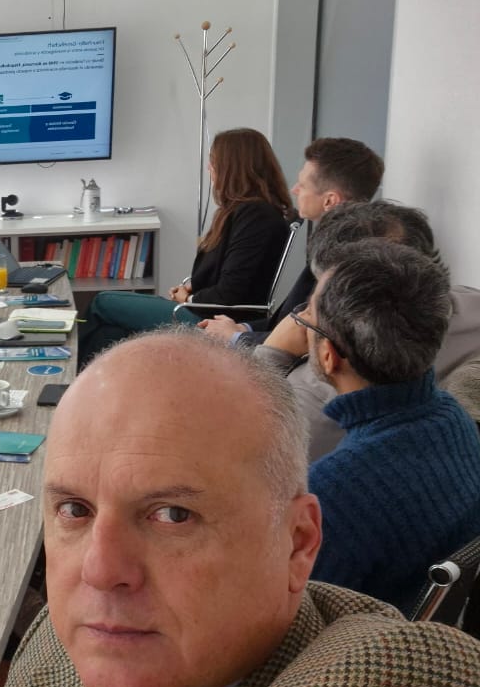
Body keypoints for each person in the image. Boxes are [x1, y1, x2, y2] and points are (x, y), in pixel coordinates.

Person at [0, 328, 480, 687]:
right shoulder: (64, 641)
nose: (99, 571)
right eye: (75, 509)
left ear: (298, 542)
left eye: (173, 515)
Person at [289, 239, 480, 614]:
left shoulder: (331, 495)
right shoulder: (454, 419)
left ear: (328, 356)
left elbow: (293, 622)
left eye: (307, 319)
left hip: (356, 644)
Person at [253, 200, 480, 461]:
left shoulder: (317, 398)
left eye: (321, 296)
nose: (306, 310)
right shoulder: (471, 306)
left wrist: (271, 355)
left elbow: (244, 437)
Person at [77, 127, 295, 364]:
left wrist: (188, 299)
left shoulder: (256, 217)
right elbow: (227, 272)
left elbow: (231, 292)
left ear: (232, 167)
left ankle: (72, 380)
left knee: (103, 302)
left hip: (212, 322)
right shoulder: (242, 211)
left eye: (214, 161)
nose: (209, 168)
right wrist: (191, 288)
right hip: (202, 309)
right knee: (109, 334)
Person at [199, 136, 384, 347]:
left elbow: (303, 341)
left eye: (303, 185)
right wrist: (242, 328)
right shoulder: (341, 242)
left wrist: (235, 338)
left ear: (330, 200)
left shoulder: (342, 258)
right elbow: (286, 322)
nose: (294, 189)